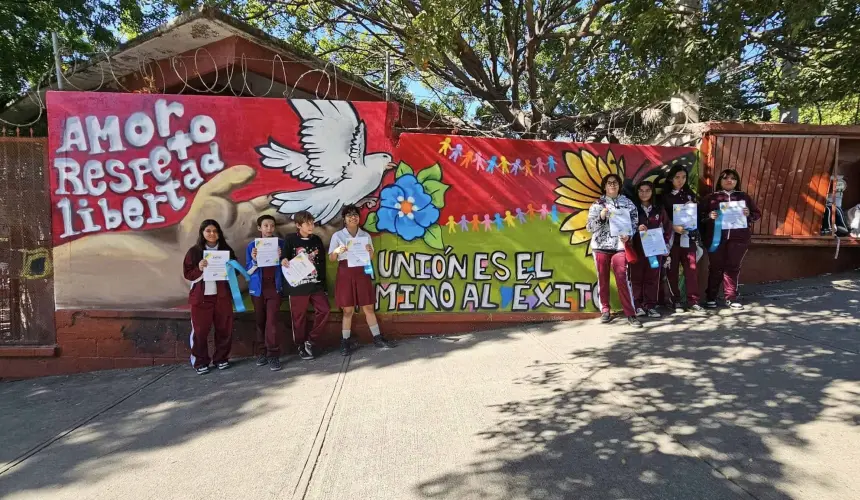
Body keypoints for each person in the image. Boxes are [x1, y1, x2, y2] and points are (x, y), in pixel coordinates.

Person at [329, 205, 396, 355]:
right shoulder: (338, 236)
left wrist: (370, 252)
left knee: (368, 307)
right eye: (349, 215)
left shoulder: (365, 235)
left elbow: (370, 257)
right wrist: (336, 251)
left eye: (355, 215)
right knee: (348, 310)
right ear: (344, 219)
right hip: (345, 272)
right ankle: (345, 341)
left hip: (362, 271)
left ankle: (377, 338)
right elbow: (332, 258)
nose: (353, 217)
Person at [700, 169, 762, 310]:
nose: (729, 181)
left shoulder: (744, 197)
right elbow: (700, 218)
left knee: (732, 268)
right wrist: (710, 216)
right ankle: (711, 297)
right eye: (726, 178)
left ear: (737, 181)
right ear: (720, 181)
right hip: (716, 239)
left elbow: (756, 214)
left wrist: (748, 214)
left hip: (739, 239)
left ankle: (731, 297)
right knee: (716, 268)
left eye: (733, 178)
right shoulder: (711, 198)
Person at [585, 173, 642, 328]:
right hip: (600, 247)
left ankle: (630, 314)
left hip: (619, 247)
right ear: (604, 186)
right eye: (609, 183)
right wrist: (601, 217)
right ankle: (605, 310)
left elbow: (635, 223)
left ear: (619, 185)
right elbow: (589, 227)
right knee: (602, 279)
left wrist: (628, 236)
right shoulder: (597, 204)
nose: (612, 185)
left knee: (623, 278)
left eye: (615, 182)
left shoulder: (628, 203)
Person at [182, 219, 238, 375]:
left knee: (224, 329)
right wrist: (199, 268)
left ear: (219, 233)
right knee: (200, 332)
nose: (212, 234)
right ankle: (200, 362)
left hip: (222, 297)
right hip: (201, 298)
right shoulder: (194, 252)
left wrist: (230, 268)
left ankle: (221, 359)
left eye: (215, 231)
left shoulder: (226, 250)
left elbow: (236, 272)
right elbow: (188, 274)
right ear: (202, 233)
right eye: (208, 231)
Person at [283, 211, 330, 360]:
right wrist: (283, 259)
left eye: (312, 222)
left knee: (324, 309)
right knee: (298, 317)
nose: (311, 226)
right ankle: (300, 346)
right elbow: (284, 257)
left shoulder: (316, 240)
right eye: (307, 223)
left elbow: (322, 263)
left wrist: (324, 285)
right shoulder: (290, 239)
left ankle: (311, 340)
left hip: (315, 284)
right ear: (298, 225)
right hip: (297, 286)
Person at [246, 215, 286, 371]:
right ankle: (261, 352)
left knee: (272, 322)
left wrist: (282, 256)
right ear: (259, 228)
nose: (269, 228)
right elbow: (248, 271)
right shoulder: (252, 246)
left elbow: (288, 266)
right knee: (260, 321)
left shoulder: (280, 244)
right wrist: (254, 260)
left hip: (274, 288)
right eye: (265, 226)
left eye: (271, 226)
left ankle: (273, 355)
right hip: (258, 289)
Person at [662, 166, 705, 313]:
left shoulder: (690, 195)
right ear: (670, 178)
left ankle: (694, 301)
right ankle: (676, 301)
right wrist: (673, 227)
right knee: (672, 270)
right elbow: (660, 218)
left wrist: (694, 208)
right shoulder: (664, 196)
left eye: (684, 177)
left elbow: (698, 216)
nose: (681, 181)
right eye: (677, 177)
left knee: (691, 270)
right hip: (672, 240)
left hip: (689, 238)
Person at [630, 181, 669, 318]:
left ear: (652, 192)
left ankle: (651, 306)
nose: (644, 193)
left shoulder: (658, 209)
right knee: (636, 278)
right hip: (637, 250)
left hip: (655, 250)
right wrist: (636, 229)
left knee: (652, 278)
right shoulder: (633, 209)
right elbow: (625, 228)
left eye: (647, 190)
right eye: (641, 190)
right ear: (637, 192)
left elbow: (667, 228)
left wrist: (666, 246)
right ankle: (638, 305)